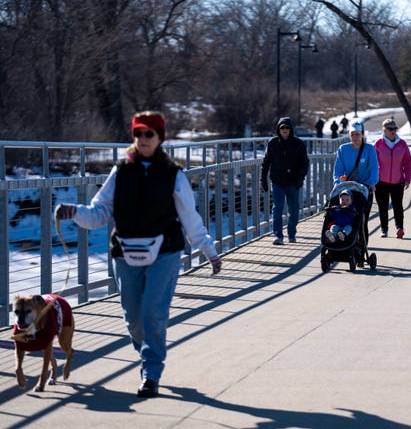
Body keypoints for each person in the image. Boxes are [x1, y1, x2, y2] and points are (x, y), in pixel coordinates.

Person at [54, 111, 222, 398]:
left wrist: (208, 250)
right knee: (133, 318)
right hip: (125, 252)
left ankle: (151, 370)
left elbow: (190, 218)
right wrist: (75, 212)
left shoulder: (174, 175)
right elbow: (99, 213)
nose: (142, 139)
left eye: (149, 134)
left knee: (153, 312)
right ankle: (147, 354)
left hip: (165, 252)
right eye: (138, 134)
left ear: (160, 138)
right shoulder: (121, 172)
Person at [261, 117, 310, 245]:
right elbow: (266, 162)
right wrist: (263, 180)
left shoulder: (298, 143)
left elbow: (305, 162)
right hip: (277, 181)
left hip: (293, 182)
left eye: (287, 127)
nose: (285, 130)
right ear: (278, 129)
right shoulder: (272, 143)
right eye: (282, 127)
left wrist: (301, 178)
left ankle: (291, 234)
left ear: (291, 129)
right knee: (277, 208)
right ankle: (278, 236)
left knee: (294, 209)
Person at [333, 120, 379, 253]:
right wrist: (338, 182)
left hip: (364, 189)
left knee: (361, 220)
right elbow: (338, 170)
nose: (355, 137)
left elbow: (374, 168)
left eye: (357, 134)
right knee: (343, 217)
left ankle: (361, 249)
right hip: (347, 188)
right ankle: (345, 244)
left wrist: (372, 183)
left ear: (362, 134)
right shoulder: (343, 149)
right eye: (352, 134)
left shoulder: (369, 149)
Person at [373, 118, 411, 238]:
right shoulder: (378, 144)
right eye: (390, 129)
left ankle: (399, 228)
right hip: (381, 181)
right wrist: (373, 180)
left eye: (395, 128)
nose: (393, 131)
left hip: (397, 180)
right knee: (383, 206)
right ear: (384, 130)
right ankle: (384, 229)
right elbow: (373, 163)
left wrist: (407, 178)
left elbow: (407, 162)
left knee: (398, 206)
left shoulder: (402, 144)